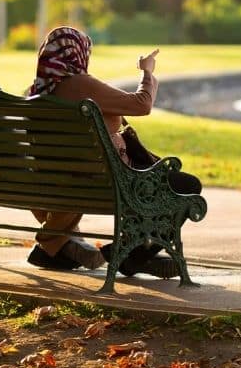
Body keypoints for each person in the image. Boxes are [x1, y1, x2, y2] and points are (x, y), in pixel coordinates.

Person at [26, 26, 202, 277]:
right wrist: (147, 72)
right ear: (77, 54)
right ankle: (132, 255)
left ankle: (135, 253)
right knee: (187, 186)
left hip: (58, 184)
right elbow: (142, 104)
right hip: (109, 183)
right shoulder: (80, 85)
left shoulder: (35, 94)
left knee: (167, 181)